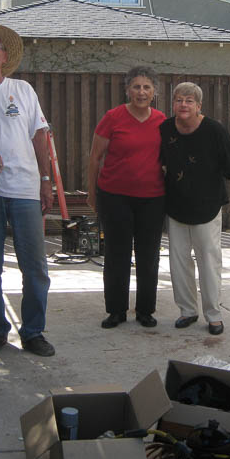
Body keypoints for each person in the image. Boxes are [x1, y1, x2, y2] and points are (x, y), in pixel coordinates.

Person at [0, 24, 56, 358]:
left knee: (34, 267)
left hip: (25, 189)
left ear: (5, 57)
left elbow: (40, 137)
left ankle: (33, 332)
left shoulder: (22, 90)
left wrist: (45, 181)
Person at [86, 66, 166, 329]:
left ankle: (145, 310)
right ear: (127, 90)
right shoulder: (113, 117)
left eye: (146, 87)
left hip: (152, 199)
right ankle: (116, 311)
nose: (141, 92)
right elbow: (95, 157)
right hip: (115, 197)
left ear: (154, 92)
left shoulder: (162, 121)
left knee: (148, 255)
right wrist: (91, 193)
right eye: (136, 86)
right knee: (117, 254)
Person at [160, 82, 230, 335]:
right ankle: (187, 311)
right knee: (179, 261)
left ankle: (214, 315)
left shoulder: (213, 130)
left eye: (189, 101)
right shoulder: (164, 129)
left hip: (207, 206)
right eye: (178, 100)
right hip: (176, 204)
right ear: (172, 104)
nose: (183, 105)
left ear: (198, 105)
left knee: (208, 260)